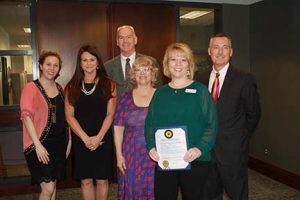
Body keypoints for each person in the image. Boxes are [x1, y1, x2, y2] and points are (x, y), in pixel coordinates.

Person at [144, 43, 218, 200]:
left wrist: (199, 148)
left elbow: (212, 124)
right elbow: (150, 124)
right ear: (167, 64)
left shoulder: (200, 91)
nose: (178, 64)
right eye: (173, 59)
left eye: (183, 60)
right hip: (165, 160)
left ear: (189, 65)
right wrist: (151, 147)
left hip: (195, 159)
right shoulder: (160, 93)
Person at [196, 33, 261, 200]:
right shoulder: (199, 78)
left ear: (231, 52)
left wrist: (238, 138)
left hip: (233, 152)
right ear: (209, 51)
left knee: (237, 195)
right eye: (216, 47)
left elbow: (253, 114)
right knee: (208, 194)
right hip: (206, 151)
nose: (220, 52)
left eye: (225, 47)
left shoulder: (244, 79)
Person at [64, 45, 116, 200]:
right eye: (84, 60)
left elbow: (110, 114)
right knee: (86, 181)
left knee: (102, 180)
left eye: (92, 59)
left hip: (103, 139)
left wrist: (99, 137)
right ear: (80, 64)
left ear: (98, 62)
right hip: (81, 140)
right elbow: (69, 117)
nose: (88, 63)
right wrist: (85, 138)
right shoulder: (71, 87)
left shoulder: (109, 84)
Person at [20, 51, 71, 200]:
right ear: (41, 66)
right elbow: (26, 116)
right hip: (40, 145)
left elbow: (65, 119)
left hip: (59, 144)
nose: (52, 68)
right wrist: (37, 145)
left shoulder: (60, 89)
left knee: (53, 186)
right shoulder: (30, 88)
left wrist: (68, 143)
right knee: (47, 188)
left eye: (56, 65)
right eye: (48, 64)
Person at [113, 56, 158, 200]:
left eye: (146, 70)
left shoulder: (162, 95)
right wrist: (119, 155)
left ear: (153, 73)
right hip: (131, 154)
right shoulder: (125, 98)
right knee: (132, 189)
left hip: (156, 153)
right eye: (138, 70)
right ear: (133, 74)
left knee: (155, 189)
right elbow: (118, 127)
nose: (142, 73)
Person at [104, 25, 161, 98]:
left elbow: (159, 91)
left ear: (135, 40)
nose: (125, 41)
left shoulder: (151, 62)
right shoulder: (108, 66)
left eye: (129, 37)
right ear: (117, 42)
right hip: (117, 108)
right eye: (121, 38)